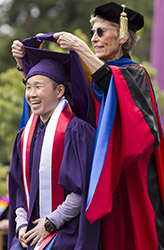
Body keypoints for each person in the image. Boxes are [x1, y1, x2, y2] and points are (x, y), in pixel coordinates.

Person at [11, 3, 164, 250]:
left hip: (127, 177)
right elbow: (53, 97)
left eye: (101, 32)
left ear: (123, 36)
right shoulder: (88, 75)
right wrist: (26, 62)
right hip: (93, 178)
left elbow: (117, 93)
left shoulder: (134, 74)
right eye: (92, 32)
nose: (94, 39)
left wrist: (79, 48)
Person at [9, 38, 100, 250]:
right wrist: (21, 224)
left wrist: (50, 223)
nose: (31, 94)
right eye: (28, 87)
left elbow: (84, 190)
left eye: (38, 87)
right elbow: (19, 189)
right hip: (30, 231)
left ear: (60, 91)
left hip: (68, 231)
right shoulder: (24, 136)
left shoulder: (78, 132)